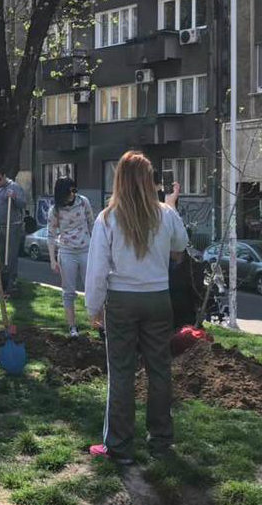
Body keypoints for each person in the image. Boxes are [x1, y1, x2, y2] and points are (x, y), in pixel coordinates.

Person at [84, 151, 188, 465]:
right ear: (149, 180)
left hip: (121, 301)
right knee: (159, 370)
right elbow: (181, 246)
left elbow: (97, 269)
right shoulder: (165, 214)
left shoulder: (108, 217)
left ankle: (119, 446)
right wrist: (170, 206)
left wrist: (93, 306)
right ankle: (161, 441)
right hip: (158, 299)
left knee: (121, 373)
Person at [47, 177, 94, 337]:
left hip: (86, 249)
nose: (73, 194)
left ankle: (98, 323)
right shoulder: (55, 210)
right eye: (70, 192)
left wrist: (97, 249)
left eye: (74, 190)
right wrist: (53, 260)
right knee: (68, 291)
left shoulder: (83, 202)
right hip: (67, 252)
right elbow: (51, 235)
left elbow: (92, 224)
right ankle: (72, 327)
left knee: (93, 287)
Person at [0, 170, 27, 292]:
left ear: (5, 176)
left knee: (10, 255)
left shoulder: (14, 187)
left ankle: (12, 282)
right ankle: (1, 281)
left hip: (11, 226)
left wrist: (14, 197)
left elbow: (23, 204)